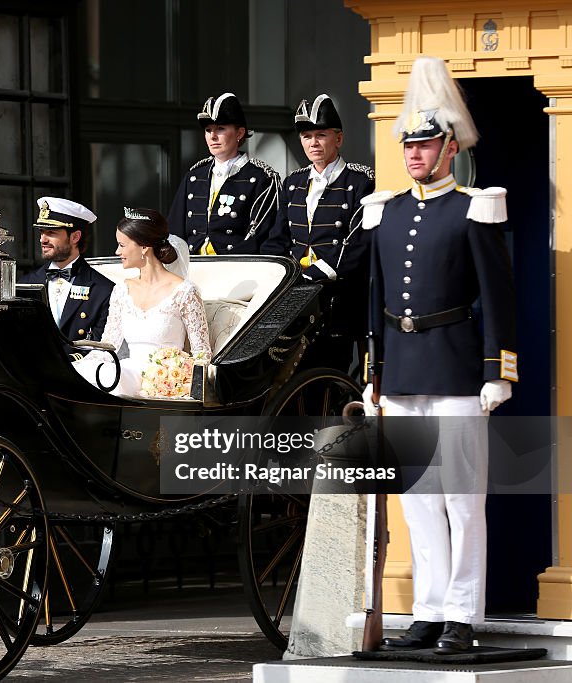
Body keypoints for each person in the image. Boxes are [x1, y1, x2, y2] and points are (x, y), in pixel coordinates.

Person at [363, 57, 517, 655]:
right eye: (410, 146)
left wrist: (496, 371)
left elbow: (498, 299)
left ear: (449, 148)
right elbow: (375, 300)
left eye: (426, 145)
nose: (415, 155)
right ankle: (427, 610)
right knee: (418, 500)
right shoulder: (386, 211)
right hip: (402, 369)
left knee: (462, 497)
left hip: (455, 368)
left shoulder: (474, 208)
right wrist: (373, 373)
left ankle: (461, 614)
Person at [262, 94, 375, 374]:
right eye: (307, 136)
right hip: (295, 298)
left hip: (339, 298)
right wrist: (275, 273)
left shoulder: (361, 181)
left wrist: (315, 274)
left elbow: (359, 243)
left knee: (329, 373)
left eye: (321, 135)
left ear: (338, 138)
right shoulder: (293, 182)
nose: (313, 143)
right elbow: (279, 238)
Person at [75, 208, 210, 397]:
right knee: (88, 373)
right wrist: (80, 366)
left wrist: (181, 383)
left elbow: (201, 354)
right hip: (126, 373)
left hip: (163, 381)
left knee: (112, 378)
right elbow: (108, 345)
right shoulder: (122, 290)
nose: (117, 251)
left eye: (122, 245)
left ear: (144, 247)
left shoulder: (185, 291)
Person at [167, 92, 281, 255]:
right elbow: (175, 231)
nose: (213, 136)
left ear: (240, 133)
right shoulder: (194, 176)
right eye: (208, 130)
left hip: (235, 267)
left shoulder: (262, 178)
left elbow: (260, 236)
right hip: (192, 266)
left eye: (220, 128)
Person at [18, 197, 114, 349]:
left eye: (51, 232)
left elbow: (99, 348)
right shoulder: (25, 284)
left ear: (75, 237)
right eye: (42, 232)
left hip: (78, 369)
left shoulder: (103, 290)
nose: (43, 239)